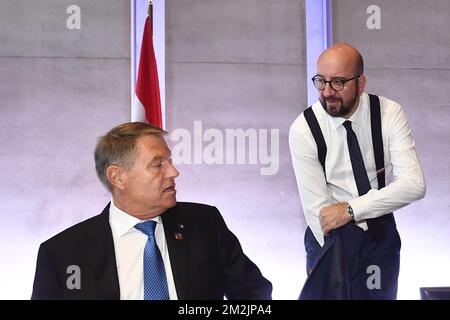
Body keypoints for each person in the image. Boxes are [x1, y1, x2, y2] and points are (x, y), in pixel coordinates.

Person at [31, 122, 272, 300]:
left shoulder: (204, 224)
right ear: (117, 177)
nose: (173, 172)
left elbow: (252, 293)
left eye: (170, 161)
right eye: (158, 165)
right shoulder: (63, 253)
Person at [289, 43, 426, 299]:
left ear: (360, 84)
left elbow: (414, 185)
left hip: (380, 235)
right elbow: (320, 213)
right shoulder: (304, 128)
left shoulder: (388, 113)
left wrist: (351, 209)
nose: (327, 92)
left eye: (338, 82)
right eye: (321, 81)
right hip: (328, 240)